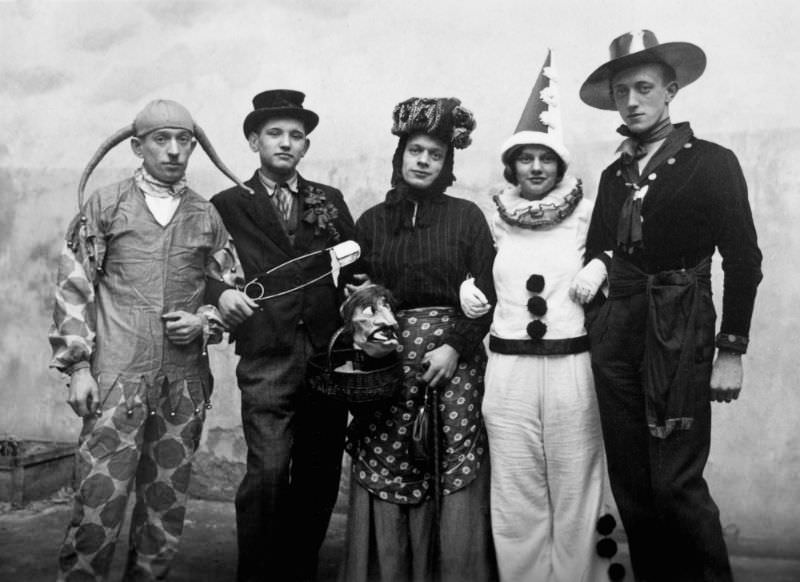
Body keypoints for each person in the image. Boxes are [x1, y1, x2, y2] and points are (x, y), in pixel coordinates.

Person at [579, 30, 763, 581]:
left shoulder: (711, 163)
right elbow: (597, 250)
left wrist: (730, 351)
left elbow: (744, 259)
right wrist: (599, 304)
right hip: (618, 332)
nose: (631, 102)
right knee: (633, 486)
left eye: (643, 88)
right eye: (620, 93)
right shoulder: (615, 175)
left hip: (680, 326)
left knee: (676, 483)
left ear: (671, 90)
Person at [49, 99, 248, 581]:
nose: (175, 151)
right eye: (162, 139)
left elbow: (231, 292)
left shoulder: (206, 216)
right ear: (138, 146)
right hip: (116, 383)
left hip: (183, 388)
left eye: (185, 140)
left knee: (164, 512)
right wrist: (77, 368)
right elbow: (75, 287)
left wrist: (206, 321)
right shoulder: (106, 204)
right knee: (98, 507)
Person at [460, 51, 621, 582]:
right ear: (512, 166)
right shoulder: (497, 216)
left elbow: (623, 250)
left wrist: (599, 265)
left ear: (559, 165)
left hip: (572, 365)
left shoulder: (585, 211)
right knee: (516, 486)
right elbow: (479, 271)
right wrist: (469, 291)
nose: (535, 168)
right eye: (525, 158)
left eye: (545, 159)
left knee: (576, 482)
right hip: (508, 371)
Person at [340, 96, 497, 582]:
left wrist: (454, 347)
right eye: (415, 150)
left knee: (448, 457)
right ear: (400, 155)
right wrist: (369, 338)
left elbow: (489, 291)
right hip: (386, 363)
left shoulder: (467, 217)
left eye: (435, 153)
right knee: (389, 458)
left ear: (448, 163)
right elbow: (355, 295)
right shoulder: (370, 223)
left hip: (455, 363)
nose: (423, 160)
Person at [205, 89, 356, 582]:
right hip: (267, 352)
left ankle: (299, 570)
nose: (286, 143)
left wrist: (364, 307)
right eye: (275, 134)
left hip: (327, 355)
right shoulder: (227, 204)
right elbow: (200, 269)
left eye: (296, 136)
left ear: (306, 147)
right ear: (254, 141)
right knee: (268, 473)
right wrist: (220, 293)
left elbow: (355, 268)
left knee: (317, 475)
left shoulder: (328, 201)